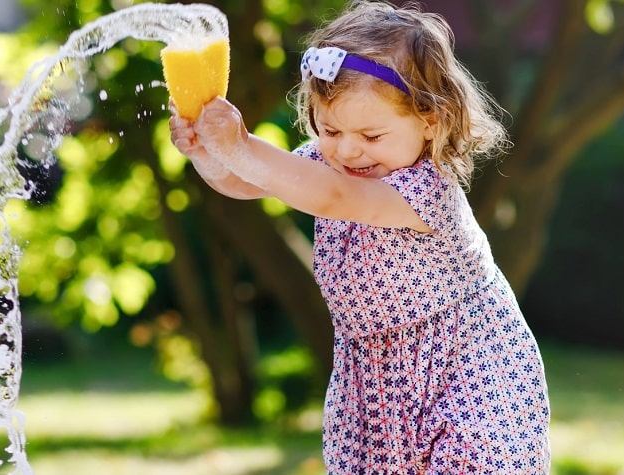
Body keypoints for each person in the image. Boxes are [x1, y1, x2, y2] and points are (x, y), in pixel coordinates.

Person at [169, 1, 550, 473]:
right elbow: (245, 182)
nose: (348, 150)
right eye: (329, 129)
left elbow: (333, 197)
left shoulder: (427, 189)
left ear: (431, 122)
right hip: (378, 379)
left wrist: (241, 146)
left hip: (465, 374)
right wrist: (210, 153)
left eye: (371, 136)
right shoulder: (327, 163)